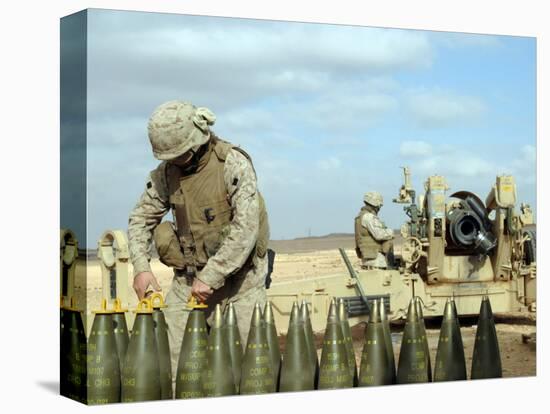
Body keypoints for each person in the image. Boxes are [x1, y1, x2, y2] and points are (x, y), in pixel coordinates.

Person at [127, 100, 270, 385]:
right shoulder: (166, 174)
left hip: (242, 282)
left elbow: (246, 228)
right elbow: (140, 219)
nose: (174, 162)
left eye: (179, 156)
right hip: (189, 282)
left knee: (251, 368)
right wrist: (141, 268)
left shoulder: (232, 163)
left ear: (197, 141)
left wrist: (212, 275)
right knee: (174, 364)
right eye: (170, 157)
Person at [354, 191, 394, 269]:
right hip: (376, 258)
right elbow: (379, 235)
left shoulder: (360, 216)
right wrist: (390, 232)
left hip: (368, 255)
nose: (379, 208)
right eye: (379, 206)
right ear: (375, 204)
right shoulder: (369, 217)